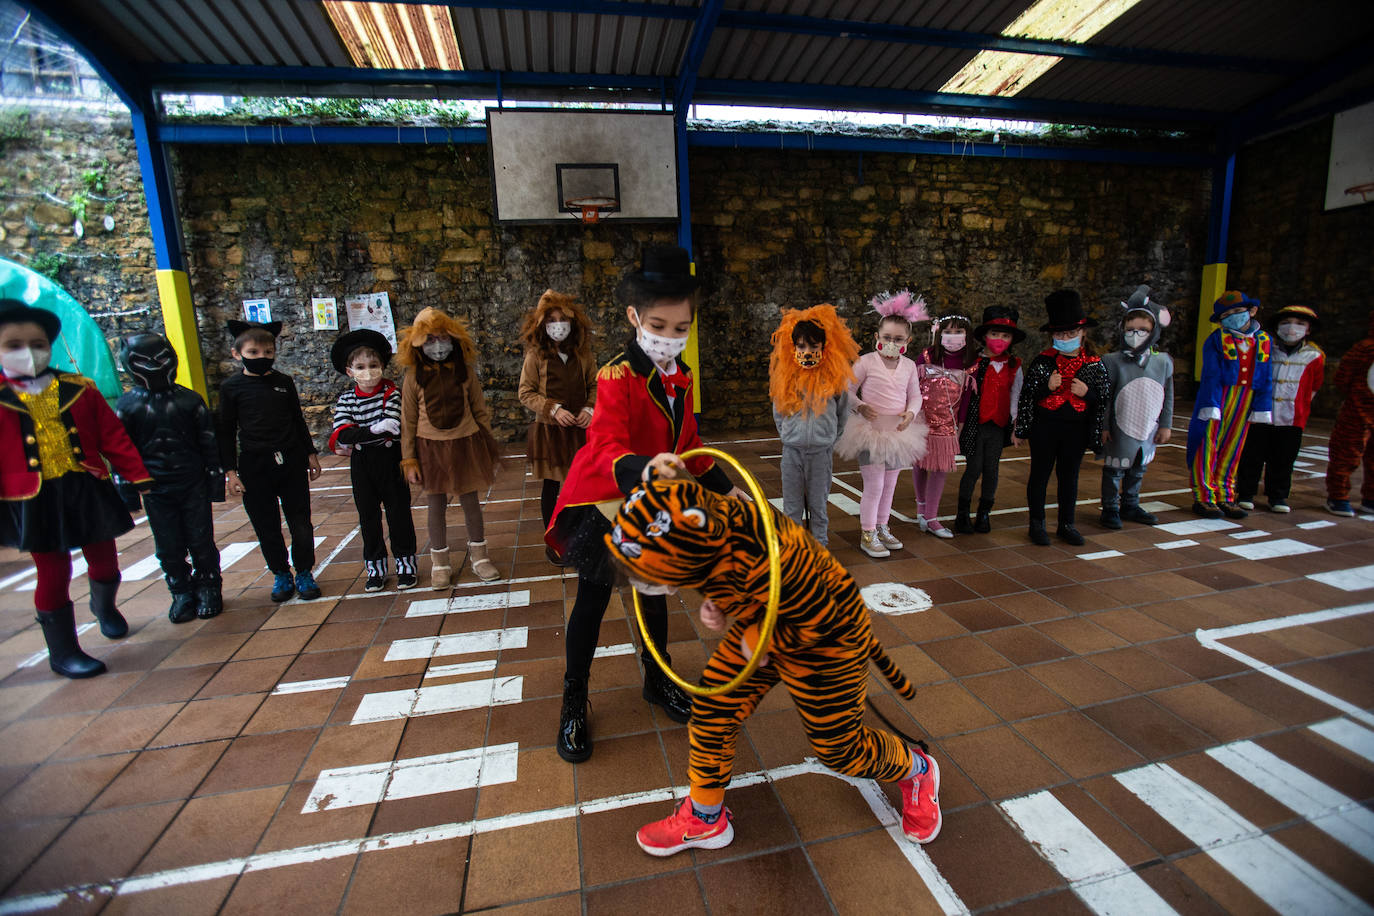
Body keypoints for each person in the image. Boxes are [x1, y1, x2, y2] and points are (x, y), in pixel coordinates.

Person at [610, 478, 943, 855]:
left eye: (657, 575)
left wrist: (763, 640)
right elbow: (736, 582)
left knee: (839, 748)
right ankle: (705, 818)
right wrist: (721, 606)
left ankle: (917, 770)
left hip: (831, 633)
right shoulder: (709, 536)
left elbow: (819, 614)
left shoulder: (766, 547)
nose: (653, 586)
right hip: (767, 623)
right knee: (714, 706)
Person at [545, 244, 745, 763]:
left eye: (682, 329)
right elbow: (607, 445)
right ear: (635, 317)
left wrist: (727, 488)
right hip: (610, 500)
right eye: (660, 325)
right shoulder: (617, 375)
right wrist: (646, 466)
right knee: (592, 601)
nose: (670, 338)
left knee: (652, 595)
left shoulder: (682, 377)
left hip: (653, 503)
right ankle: (573, 698)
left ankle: (657, 679)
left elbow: (692, 447)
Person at [0, 299, 152, 678]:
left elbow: (112, 436)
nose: (29, 353)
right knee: (53, 571)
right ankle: (64, 651)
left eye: (37, 344)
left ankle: (105, 607)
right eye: (14, 345)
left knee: (105, 560)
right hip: (31, 496)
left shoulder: (79, 388)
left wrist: (139, 477)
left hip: (85, 485)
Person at [115, 332, 225, 622]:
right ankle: (180, 590)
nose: (153, 366)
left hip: (192, 481)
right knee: (167, 544)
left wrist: (215, 483)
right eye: (144, 361)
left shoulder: (189, 400)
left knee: (201, 539)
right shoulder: (127, 406)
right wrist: (127, 490)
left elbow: (208, 443)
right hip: (155, 487)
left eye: (159, 359)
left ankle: (209, 587)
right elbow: (121, 451)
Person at [218, 319, 323, 602]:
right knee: (266, 525)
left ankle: (303, 571)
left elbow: (297, 420)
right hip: (254, 465)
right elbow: (225, 432)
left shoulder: (283, 382)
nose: (261, 358)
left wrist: (310, 453)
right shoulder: (231, 388)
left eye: (268, 352)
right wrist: (230, 471)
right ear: (237, 353)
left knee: (301, 522)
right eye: (253, 353)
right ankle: (280, 573)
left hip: (290, 461)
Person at [397, 307, 503, 585]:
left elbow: (480, 411)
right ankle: (439, 563)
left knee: (471, 502)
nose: (438, 345)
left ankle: (480, 556)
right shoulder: (413, 377)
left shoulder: (465, 372)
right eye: (430, 339)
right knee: (435, 505)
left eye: (443, 338)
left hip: (465, 444)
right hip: (430, 449)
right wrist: (409, 459)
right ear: (417, 343)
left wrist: (487, 446)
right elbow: (407, 421)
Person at [834, 291, 928, 558]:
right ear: (877, 337)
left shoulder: (909, 366)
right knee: (874, 485)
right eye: (886, 338)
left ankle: (882, 526)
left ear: (908, 341)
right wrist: (860, 406)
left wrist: (911, 413)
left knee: (890, 485)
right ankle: (867, 532)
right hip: (869, 432)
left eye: (898, 339)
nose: (891, 343)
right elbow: (847, 390)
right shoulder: (866, 362)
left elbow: (915, 395)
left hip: (898, 433)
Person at [1015, 289, 1110, 546]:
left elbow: (1103, 398)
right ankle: (1037, 523)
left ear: (1083, 333)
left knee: (1069, 477)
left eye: (1071, 334)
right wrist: (1047, 388)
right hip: (1045, 428)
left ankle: (1067, 524)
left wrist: (1087, 393)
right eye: (1059, 334)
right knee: (1040, 475)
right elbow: (1028, 395)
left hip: (1076, 429)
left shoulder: (1094, 363)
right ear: (1052, 335)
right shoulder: (1043, 362)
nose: (1065, 338)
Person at [329, 329, 418, 592]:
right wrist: (371, 431)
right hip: (362, 465)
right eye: (360, 366)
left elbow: (392, 426)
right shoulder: (346, 399)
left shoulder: (392, 393)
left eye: (373, 365)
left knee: (399, 514)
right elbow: (342, 432)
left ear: (381, 366)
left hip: (391, 460)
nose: (368, 371)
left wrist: (361, 434)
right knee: (368, 517)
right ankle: (375, 569)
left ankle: (406, 566)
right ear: (349, 371)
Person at [769, 303, 858, 548]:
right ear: (793, 347)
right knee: (792, 504)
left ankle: (819, 545)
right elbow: (779, 412)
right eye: (801, 346)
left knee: (818, 503)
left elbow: (842, 413)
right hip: (792, 452)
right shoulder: (787, 378)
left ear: (824, 347)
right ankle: (794, 547)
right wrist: (788, 436)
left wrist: (829, 438)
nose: (807, 351)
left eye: (814, 346)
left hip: (821, 452)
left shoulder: (834, 379)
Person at [518, 289, 597, 560]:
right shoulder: (535, 357)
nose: (557, 325)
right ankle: (554, 541)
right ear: (541, 325)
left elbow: (595, 385)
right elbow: (525, 392)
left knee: (582, 486)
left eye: (562, 319)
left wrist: (589, 408)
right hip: (551, 432)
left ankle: (584, 537)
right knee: (552, 487)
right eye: (551, 320)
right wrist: (553, 409)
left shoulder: (584, 354)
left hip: (580, 432)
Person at [1185, 290, 1274, 519]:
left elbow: (1266, 375)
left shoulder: (1263, 341)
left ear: (1251, 311)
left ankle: (1225, 494)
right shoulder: (1217, 340)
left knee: (1234, 447)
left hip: (1246, 399)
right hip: (1218, 397)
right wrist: (1210, 402)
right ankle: (1204, 496)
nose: (1233, 317)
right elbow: (1211, 374)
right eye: (1227, 314)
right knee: (1207, 444)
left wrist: (1263, 406)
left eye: (1238, 311)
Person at [1099, 286, 1175, 528]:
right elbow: (1106, 397)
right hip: (1120, 425)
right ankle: (1110, 507)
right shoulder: (1111, 361)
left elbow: (1168, 396)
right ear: (1123, 330)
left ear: (1154, 332)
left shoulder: (1163, 362)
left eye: (1143, 330)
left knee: (1138, 468)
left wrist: (1165, 425)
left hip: (1148, 426)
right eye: (1131, 330)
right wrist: (1103, 425)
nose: (1136, 334)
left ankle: (1130, 504)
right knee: (1114, 469)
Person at [1237, 305, 1324, 514]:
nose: (1292, 328)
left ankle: (1278, 495)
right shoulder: (1265, 348)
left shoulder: (1314, 356)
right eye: (1285, 323)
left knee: (1284, 459)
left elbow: (1314, 385)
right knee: (1252, 455)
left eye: (1300, 324)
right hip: (1260, 414)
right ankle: (1245, 493)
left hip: (1292, 417)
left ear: (1309, 329)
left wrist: (1301, 407)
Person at [955, 306, 1025, 533]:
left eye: (1005, 335)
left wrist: (1017, 426)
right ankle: (962, 514)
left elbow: (1016, 395)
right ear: (985, 336)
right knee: (973, 468)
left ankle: (984, 513)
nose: (999, 339)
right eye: (995, 334)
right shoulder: (973, 362)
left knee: (992, 469)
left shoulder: (1014, 365)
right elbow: (962, 394)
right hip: (975, 424)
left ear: (1011, 339)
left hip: (998, 425)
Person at [912, 312, 976, 538]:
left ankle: (931, 517)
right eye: (948, 331)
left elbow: (967, 397)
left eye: (958, 331)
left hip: (947, 424)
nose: (953, 336)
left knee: (940, 468)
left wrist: (960, 424)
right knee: (920, 464)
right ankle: (921, 508)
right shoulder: (926, 356)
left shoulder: (970, 363)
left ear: (967, 335)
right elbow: (912, 387)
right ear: (939, 333)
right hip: (921, 420)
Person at [1324, 312, 1374, 517]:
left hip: (1360, 408)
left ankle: (1371, 498)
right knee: (1346, 454)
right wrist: (1357, 399)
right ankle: (1337, 496)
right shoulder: (1364, 348)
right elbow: (1343, 377)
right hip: (1357, 412)